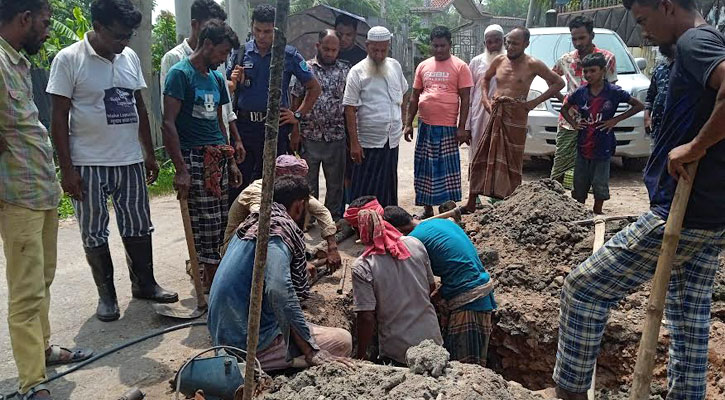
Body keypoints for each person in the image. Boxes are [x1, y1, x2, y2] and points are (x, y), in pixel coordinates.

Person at [549, 0, 725, 397]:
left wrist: (694, 147)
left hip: (681, 211)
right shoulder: (703, 42)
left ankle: (570, 393)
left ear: (666, 5)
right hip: (709, 212)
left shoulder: (697, 42)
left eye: (644, 20)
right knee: (689, 320)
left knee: (583, 289)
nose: (643, 32)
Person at [47, 0, 178, 322]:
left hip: (129, 160)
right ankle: (107, 297)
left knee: (138, 225)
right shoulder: (69, 60)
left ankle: (144, 283)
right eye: (119, 36)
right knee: (94, 230)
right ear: (99, 26)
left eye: (129, 36)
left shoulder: (128, 57)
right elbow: (58, 118)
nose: (124, 43)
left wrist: (148, 152)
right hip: (87, 162)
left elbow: (140, 108)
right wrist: (67, 170)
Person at [1, 1, 93, 398]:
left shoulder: (15, 62)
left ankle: (44, 350)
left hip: (40, 191)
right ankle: (32, 382)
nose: (45, 30)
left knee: (43, 280)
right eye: (42, 22)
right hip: (17, 196)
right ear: (24, 19)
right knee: (26, 291)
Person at [208, 175, 353, 372]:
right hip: (246, 342)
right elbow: (278, 289)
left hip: (225, 331)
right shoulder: (278, 232)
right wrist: (310, 349)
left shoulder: (252, 222)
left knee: (301, 324)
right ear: (300, 206)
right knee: (342, 341)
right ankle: (260, 366)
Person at [163, 19, 243, 292]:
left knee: (220, 222)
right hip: (193, 158)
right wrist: (181, 169)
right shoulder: (180, 74)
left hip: (216, 158)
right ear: (207, 44)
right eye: (222, 53)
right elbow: (168, 124)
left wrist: (229, 159)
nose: (223, 59)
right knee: (204, 225)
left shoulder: (217, 79)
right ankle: (212, 281)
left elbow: (220, 123)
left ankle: (213, 281)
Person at [463, 27, 564, 212]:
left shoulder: (533, 63)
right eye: (508, 42)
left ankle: (508, 203)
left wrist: (534, 102)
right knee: (482, 155)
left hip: (517, 115)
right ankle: (472, 200)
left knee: (512, 160)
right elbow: (484, 80)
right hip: (496, 112)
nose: (510, 47)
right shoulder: (499, 60)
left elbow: (558, 82)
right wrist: (485, 100)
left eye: (515, 43)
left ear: (526, 44)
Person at [383, 206, 496, 366]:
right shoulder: (440, 223)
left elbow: (418, 284)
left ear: (396, 230)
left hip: (468, 297)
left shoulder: (414, 241)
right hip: (480, 287)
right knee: (476, 358)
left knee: (464, 366)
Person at [226, 4, 321, 192]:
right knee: (240, 184)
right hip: (244, 128)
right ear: (252, 26)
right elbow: (226, 89)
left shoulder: (288, 54)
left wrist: (298, 115)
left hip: (274, 129)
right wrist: (234, 81)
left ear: (275, 30)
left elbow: (314, 87)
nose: (261, 36)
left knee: (272, 184)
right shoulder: (240, 53)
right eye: (258, 30)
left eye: (267, 31)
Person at [344, 197, 442, 365]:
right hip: (433, 343)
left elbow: (367, 317)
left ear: (357, 229)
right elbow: (430, 288)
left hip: (398, 352)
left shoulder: (363, 265)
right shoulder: (415, 243)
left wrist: (361, 355)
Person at [159, 0, 243, 177]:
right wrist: (181, 167)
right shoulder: (176, 64)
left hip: (218, 151)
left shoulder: (215, 65)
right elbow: (168, 120)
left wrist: (231, 153)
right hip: (191, 155)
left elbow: (223, 115)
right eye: (210, 25)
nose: (224, 58)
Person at [223, 155, 342, 275]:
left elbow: (321, 211)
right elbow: (263, 223)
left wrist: (332, 247)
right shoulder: (257, 190)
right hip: (238, 247)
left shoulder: (290, 189)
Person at [559, 53, 644, 214]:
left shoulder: (613, 91)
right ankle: (580, 213)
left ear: (603, 71)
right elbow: (564, 108)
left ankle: (598, 213)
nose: (588, 75)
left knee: (600, 182)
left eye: (592, 71)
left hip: (603, 144)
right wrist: (574, 123)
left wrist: (615, 120)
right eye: (585, 72)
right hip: (583, 143)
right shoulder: (581, 92)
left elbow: (638, 105)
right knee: (580, 182)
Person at [404, 26, 473, 218]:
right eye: (435, 46)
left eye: (443, 46)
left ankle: (448, 210)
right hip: (425, 126)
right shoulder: (423, 66)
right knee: (424, 167)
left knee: (446, 169)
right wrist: (409, 123)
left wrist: (462, 127)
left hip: (448, 128)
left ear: (450, 45)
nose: (439, 49)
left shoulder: (460, 66)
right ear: (431, 45)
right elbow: (414, 97)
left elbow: (466, 99)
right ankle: (426, 209)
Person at [343, 26, 409, 208]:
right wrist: (354, 143)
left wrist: (401, 117)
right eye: (375, 50)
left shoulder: (395, 66)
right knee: (366, 185)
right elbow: (349, 108)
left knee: (387, 184)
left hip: (391, 139)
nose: (379, 55)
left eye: (383, 50)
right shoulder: (357, 72)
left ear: (388, 46)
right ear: (367, 46)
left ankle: (387, 220)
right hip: (367, 141)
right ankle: (362, 223)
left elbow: (404, 91)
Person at [550, 16, 617, 185]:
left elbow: (612, 91)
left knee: (593, 166)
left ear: (592, 35)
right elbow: (552, 80)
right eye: (574, 39)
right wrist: (565, 100)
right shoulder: (566, 59)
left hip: (596, 123)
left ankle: (587, 206)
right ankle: (553, 204)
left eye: (582, 38)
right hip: (569, 121)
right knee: (560, 164)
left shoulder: (607, 59)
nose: (578, 43)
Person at [290, 29, 349, 221]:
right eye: (326, 49)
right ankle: (308, 218)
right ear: (318, 46)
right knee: (308, 183)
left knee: (335, 184)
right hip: (310, 135)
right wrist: (295, 131)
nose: (330, 53)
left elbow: (350, 104)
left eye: (334, 50)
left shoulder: (345, 71)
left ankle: (332, 217)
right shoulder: (305, 69)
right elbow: (296, 100)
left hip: (336, 136)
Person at [466, 24, 505, 162]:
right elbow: (468, 95)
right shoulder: (476, 62)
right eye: (489, 42)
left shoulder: (511, 61)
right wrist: (466, 126)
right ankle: (477, 183)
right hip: (479, 115)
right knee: (478, 152)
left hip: (503, 115)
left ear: (503, 41)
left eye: (497, 40)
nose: (493, 45)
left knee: (499, 154)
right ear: (484, 43)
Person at [644, 44, 675, 147]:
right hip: (658, 127)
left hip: (675, 128)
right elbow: (650, 96)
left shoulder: (684, 69)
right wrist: (647, 117)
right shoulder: (660, 69)